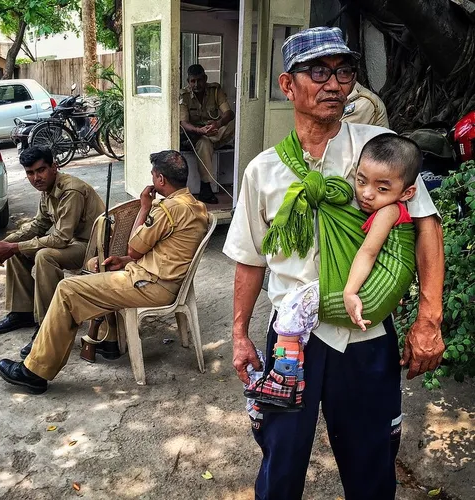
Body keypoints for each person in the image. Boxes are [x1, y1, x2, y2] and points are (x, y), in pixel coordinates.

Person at [223, 27, 444, 500]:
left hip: (363, 335)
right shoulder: (264, 169)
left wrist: (429, 318)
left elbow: (426, 225)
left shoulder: (379, 147)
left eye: (344, 71)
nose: (334, 84)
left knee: (370, 465)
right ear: (288, 86)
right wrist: (240, 335)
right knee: (281, 465)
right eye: (318, 71)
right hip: (292, 340)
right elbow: (249, 258)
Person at [0, 150, 209, 394]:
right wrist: (127, 260)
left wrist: (144, 208)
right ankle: (105, 340)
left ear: (160, 180)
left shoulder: (166, 210)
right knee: (90, 274)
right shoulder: (195, 205)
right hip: (155, 278)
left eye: (152, 175)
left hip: (150, 284)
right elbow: (164, 250)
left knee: (67, 289)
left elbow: (134, 245)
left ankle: (35, 371)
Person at [245, 134, 421, 410]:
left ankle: (284, 378)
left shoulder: (388, 213)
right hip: (372, 296)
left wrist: (349, 292)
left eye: (382, 188)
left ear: (407, 192)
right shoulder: (386, 208)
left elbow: (368, 252)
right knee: (302, 316)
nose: (367, 193)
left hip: (364, 297)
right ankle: (289, 372)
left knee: (294, 306)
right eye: (361, 181)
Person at [0, 146, 104, 356]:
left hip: (92, 247)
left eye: (41, 170)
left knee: (44, 256)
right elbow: (38, 225)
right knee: (16, 251)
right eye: (30, 173)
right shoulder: (47, 190)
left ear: (54, 167)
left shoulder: (70, 191)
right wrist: (5, 244)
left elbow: (60, 238)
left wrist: (13, 246)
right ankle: (23, 313)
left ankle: (48, 325)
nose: (36, 177)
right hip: (74, 243)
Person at [179, 64, 235, 204]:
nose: (197, 84)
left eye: (200, 80)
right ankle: (206, 188)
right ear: (188, 81)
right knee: (204, 143)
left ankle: (212, 138)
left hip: (214, 130)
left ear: (205, 78)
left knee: (235, 123)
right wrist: (200, 131)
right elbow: (183, 123)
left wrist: (218, 124)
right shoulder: (184, 95)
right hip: (195, 135)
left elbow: (229, 113)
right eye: (193, 81)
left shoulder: (215, 90)